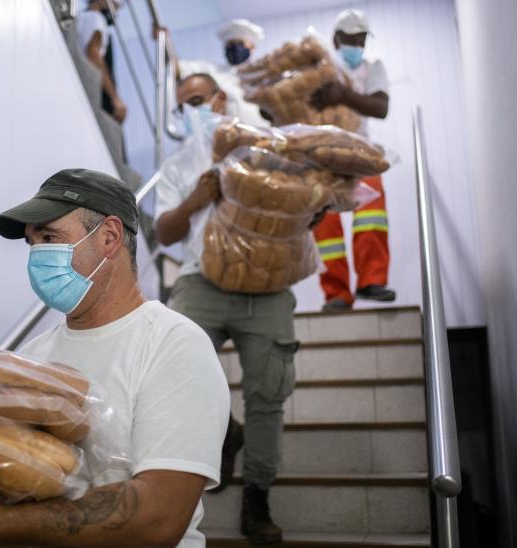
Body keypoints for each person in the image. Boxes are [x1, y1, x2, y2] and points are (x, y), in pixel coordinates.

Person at [0, 169, 230, 547]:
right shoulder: (30, 358)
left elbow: (160, 518)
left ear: (109, 237)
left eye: (50, 237)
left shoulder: (173, 343)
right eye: (31, 242)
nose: (37, 254)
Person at [154, 72, 297, 544]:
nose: (191, 111)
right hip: (201, 281)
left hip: (267, 282)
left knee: (268, 390)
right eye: (183, 107)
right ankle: (223, 430)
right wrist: (197, 198)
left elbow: (296, 198)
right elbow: (164, 233)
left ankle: (258, 496)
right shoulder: (177, 165)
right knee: (174, 372)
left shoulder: (262, 147)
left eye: (197, 100)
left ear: (219, 99)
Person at [309, 8, 396, 311]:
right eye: (351, 39)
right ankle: (336, 293)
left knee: (371, 215)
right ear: (336, 39)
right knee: (325, 226)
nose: (357, 46)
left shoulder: (372, 68)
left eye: (361, 40)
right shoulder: (319, 69)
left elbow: (380, 106)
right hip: (323, 158)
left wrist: (341, 95)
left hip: (361, 154)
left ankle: (372, 281)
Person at [159, 18, 270, 128]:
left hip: (267, 136)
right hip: (231, 138)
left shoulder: (265, 74)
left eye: (240, 43)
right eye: (230, 44)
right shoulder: (213, 71)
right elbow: (176, 68)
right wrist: (165, 41)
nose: (235, 48)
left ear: (252, 47)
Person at [78, 0, 127, 124]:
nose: (117, 10)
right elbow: (93, 55)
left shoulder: (81, 18)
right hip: (99, 99)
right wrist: (115, 98)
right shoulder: (96, 19)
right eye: (116, 5)